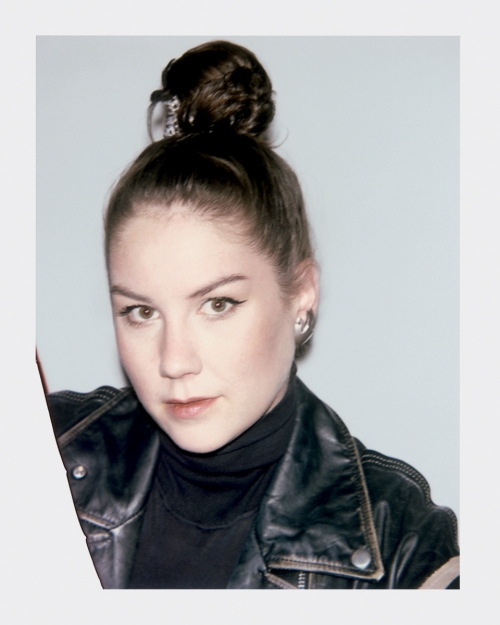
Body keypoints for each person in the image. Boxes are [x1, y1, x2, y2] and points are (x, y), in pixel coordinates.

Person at [45, 40, 459, 590]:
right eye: (141, 311)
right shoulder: (42, 447)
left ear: (302, 295)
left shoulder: (403, 544)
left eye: (217, 304)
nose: (175, 362)